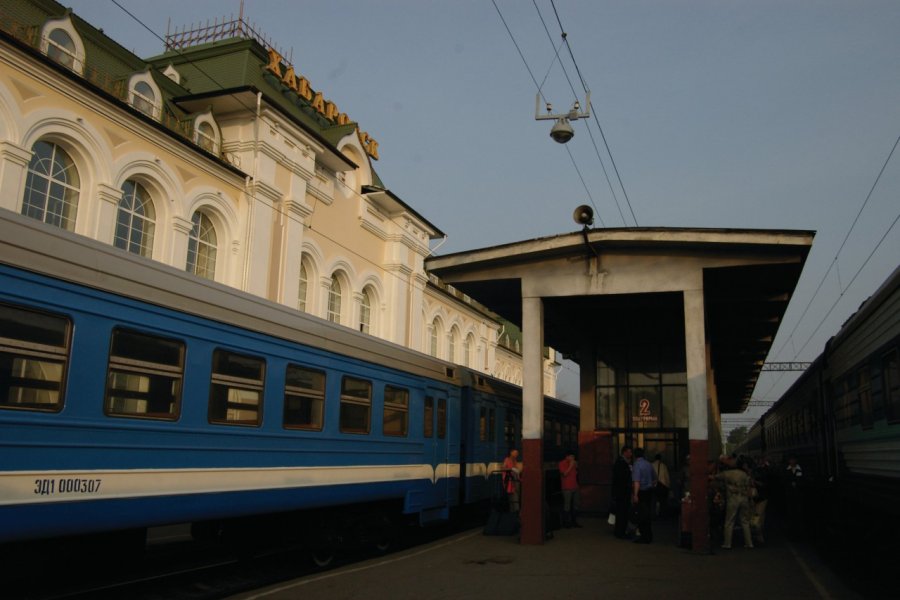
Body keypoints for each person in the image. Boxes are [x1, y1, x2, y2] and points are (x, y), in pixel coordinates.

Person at [716, 458, 754, 549]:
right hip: (744, 498)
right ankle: (749, 543)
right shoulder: (744, 474)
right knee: (745, 521)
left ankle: (727, 543)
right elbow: (749, 485)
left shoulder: (727, 474)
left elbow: (716, 477)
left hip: (733, 499)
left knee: (729, 522)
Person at [631, 447, 656, 544]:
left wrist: (635, 494)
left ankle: (644, 536)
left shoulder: (637, 465)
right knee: (647, 514)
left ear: (635, 455)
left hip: (641, 492)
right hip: (649, 492)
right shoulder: (648, 464)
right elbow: (655, 479)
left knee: (641, 515)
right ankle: (649, 535)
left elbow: (636, 481)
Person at [611, 446, 633, 539]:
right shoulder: (621, 463)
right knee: (622, 512)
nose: (631, 454)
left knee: (621, 512)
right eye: (629, 452)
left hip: (621, 492)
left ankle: (620, 531)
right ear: (624, 452)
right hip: (622, 492)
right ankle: (620, 531)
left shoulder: (621, 462)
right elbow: (621, 478)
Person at [558, 451, 582, 528]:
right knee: (567, 505)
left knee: (576, 504)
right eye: (571, 456)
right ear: (567, 457)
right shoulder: (562, 463)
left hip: (575, 486)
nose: (573, 458)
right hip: (567, 487)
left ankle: (574, 521)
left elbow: (576, 474)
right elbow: (564, 474)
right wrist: (571, 466)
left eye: (574, 457)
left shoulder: (574, 464)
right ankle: (566, 523)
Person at [502, 448, 522, 513]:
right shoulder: (507, 459)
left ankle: (514, 511)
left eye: (517, 453)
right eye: (515, 453)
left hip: (515, 479)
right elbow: (503, 468)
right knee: (514, 496)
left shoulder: (515, 460)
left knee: (514, 495)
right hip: (511, 480)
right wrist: (512, 469)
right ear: (511, 452)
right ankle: (516, 511)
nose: (517, 454)